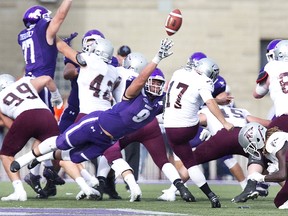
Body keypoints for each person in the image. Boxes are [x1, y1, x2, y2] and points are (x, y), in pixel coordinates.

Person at [10, 38, 174, 203]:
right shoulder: (115, 72)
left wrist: (51, 36)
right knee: (100, 155)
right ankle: (131, 186)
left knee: (62, 144)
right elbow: (127, 89)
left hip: (90, 117)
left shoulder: (89, 61)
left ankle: (30, 160)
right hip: (110, 122)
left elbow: (63, 49)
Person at [97, 64, 195, 203]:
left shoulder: (125, 78)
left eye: (158, 83)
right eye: (153, 82)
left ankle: (102, 184)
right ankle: (180, 187)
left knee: (109, 150)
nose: (155, 86)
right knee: (162, 160)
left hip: (128, 127)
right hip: (149, 126)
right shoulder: (159, 96)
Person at [17, 0, 73, 196]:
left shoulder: (22, 35)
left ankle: (40, 171)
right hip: (43, 86)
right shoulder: (43, 30)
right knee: (48, 132)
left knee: (43, 132)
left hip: (28, 84)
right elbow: (61, 15)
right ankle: (45, 169)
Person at [163, 56, 235, 208]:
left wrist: (218, 101)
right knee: (206, 117)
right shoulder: (204, 81)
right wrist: (224, 122)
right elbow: (208, 102)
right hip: (188, 127)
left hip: (169, 127)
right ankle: (206, 133)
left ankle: (208, 194)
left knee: (190, 164)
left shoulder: (179, 73)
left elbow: (189, 96)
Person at [232, 39, 288, 203]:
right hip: (281, 118)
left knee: (262, 150)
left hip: (284, 118)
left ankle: (254, 184)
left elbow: (257, 93)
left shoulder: (271, 67)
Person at [0, 74, 63, 201]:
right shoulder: (24, 82)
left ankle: (19, 191)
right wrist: (56, 97)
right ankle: (52, 174)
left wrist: (25, 131)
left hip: (24, 117)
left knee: (6, 154)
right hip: (46, 115)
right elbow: (47, 79)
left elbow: (11, 126)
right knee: (55, 149)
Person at [237, 122, 288, 209]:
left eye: (251, 146)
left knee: (280, 201)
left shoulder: (274, 143)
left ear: (258, 139)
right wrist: (276, 167)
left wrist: (261, 177)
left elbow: (282, 175)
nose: (252, 149)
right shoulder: (275, 139)